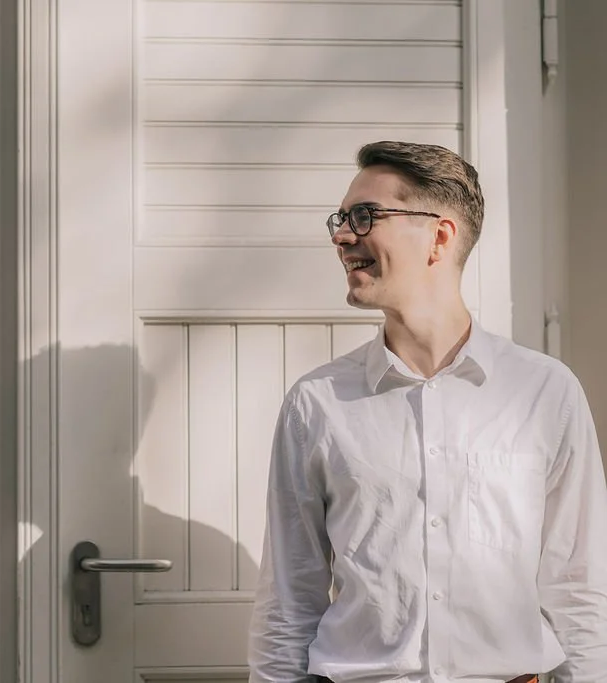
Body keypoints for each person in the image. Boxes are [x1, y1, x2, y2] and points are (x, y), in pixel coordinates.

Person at [247, 141, 607, 682]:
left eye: (365, 216)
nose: (343, 236)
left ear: (439, 236)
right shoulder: (316, 404)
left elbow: (578, 592)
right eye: (341, 219)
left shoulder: (545, 394)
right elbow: (287, 604)